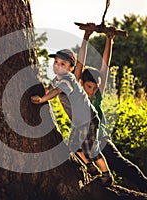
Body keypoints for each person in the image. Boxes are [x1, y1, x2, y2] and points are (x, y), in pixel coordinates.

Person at [74, 23, 147, 195]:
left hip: (100, 136)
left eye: (95, 88)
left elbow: (105, 67)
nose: (92, 92)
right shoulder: (77, 93)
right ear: (81, 84)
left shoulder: (96, 95)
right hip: (82, 138)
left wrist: (109, 40)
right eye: (89, 87)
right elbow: (80, 65)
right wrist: (86, 37)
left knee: (119, 163)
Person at [31, 48, 113, 187]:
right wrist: (39, 93)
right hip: (78, 122)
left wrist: (42, 100)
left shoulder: (68, 80)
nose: (57, 65)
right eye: (56, 62)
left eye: (62, 64)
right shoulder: (57, 79)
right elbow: (49, 88)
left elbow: (56, 91)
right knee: (74, 146)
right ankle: (91, 167)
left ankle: (106, 174)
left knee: (90, 149)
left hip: (88, 120)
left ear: (70, 68)